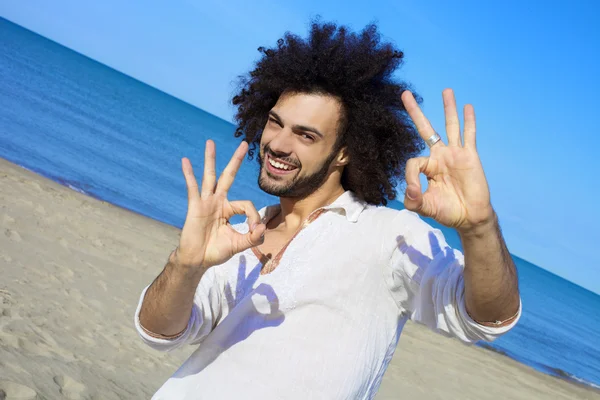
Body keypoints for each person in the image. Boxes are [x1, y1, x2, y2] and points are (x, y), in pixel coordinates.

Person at [134, 20, 521, 399]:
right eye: (276, 122)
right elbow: (158, 333)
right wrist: (184, 266)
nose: (279, 144)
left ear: (344, 152)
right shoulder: (237, 236)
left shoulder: (388, 235)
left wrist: (479, 226)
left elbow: (487, 320)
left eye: (305, 135)